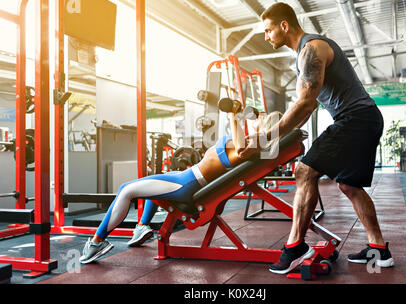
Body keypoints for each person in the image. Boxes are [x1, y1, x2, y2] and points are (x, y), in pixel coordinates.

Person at [239, 2, 394, 274]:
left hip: (356, 119)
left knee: (304, 171)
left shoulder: (312, 48)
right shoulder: (304, 54)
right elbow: (304, 106)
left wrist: (265, 139)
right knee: (349, 185)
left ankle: (295, 246)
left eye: (268, 30)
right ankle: (379, 250)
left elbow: (305, 103)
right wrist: (276, 133)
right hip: (364, 118)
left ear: (284, 26)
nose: (266, 36)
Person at [79, 108, 282, 264]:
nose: (257, 116)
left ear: (267, 127)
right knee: (156, 179)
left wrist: (234, 115)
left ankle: (96, 243)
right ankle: (141, 227)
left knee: (126, 189)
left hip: (187, 184)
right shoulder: (252, 142)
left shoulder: (253, 144)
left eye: (262, 117)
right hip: (186, 177)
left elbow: (239, 151)